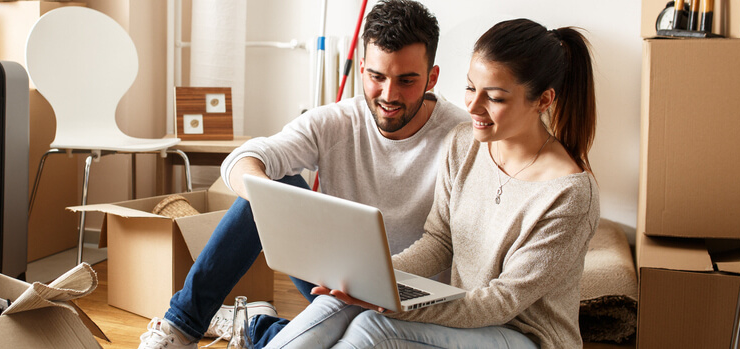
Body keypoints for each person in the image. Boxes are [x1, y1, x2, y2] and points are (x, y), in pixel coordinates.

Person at [138, 1, 468, 348]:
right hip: (337, 283)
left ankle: (256, 327)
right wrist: (268, 197)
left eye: (407, 80)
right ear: (361, 69)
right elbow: (242, 159)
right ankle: (182, 326)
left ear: (432, 77)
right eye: (377, 77)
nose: (389, 94)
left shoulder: (463, 134)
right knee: (268, 185)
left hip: (414, 297)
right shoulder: (336, 121)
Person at [260, 18, 601, 349]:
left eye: (494, 98)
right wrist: (372, 279)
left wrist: (398, 306)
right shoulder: (464, 142)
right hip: (468, 313)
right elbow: (439, 241)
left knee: (374, 326)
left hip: (523, 334)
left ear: (543, 100)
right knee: (341, 302)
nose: (473, 106)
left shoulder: (568, 193)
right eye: (470, 87)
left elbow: (502, 301)